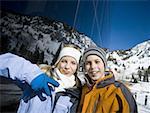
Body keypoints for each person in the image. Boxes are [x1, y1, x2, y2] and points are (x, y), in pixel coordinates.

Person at [0, 44, 82, 113]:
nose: (67, 67)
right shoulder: (39, 74)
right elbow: (3, 62)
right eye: (64, 61)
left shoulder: (76, 94)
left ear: (77, 67)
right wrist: (30, 74)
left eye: (73, 63)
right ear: (58, 62)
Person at [78, 46, 138, 113]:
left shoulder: (119, 90)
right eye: (88, 63)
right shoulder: (83, 89)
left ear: (104, 65)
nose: (93, 66)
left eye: (97, 62)